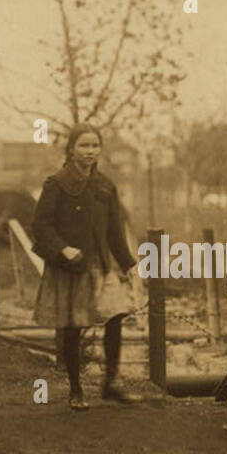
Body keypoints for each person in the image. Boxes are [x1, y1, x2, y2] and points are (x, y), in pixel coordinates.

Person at [31, 123, 139, 410]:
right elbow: (40, 225)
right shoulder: (56, 184)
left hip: (102, 264)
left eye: (94, 146)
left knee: (115, 315)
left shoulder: (105, 185)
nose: (90, 151)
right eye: (83, 145)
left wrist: (127, 263)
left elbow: (115, 230)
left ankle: (111, 383)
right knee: (74, 326)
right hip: (72, 266)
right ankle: (76, 390)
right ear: (71, 149)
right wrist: (62, 248)